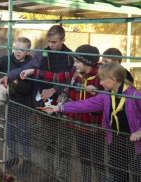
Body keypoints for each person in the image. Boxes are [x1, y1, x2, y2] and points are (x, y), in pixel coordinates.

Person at [44, 61, 141, 182]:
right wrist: (60, 107)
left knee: (137, 172)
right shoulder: (106, 95)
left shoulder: (135, 96)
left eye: (102, 80)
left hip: (135, 142)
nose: (100, 83)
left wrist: (139, 131)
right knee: (118, 173)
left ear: (113, 80)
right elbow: (85, 104)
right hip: (116, 140)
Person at [0, 25, 74, 181]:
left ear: (63, 40)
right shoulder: (43, 53)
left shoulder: (71, 57)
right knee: (48, 140)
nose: (51, 45)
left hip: (65, 105)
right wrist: (8, 76)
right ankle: (48, 173)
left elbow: (70, 79)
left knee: (64, 145)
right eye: (49, 41)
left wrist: (54, 89)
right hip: (45, 103)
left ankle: (64, 176)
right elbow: (27, 67)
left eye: (54, 42)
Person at [22, 44, 106, 182]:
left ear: (87, 62)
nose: (74, 64)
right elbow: (58, 76)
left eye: (77, 62)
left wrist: (99, 91)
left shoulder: (101, 77)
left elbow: (112, 92)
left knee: (99, 161)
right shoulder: (75, 74)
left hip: (95, 127)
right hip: (79, 125)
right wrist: (34, 72)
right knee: (83, 158)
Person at [0, 37, 33, 176]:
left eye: (22, 49)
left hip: (22, 106)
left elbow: (28, 89)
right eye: (17, 48)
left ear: (28, 52)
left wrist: (16, 81)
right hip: (6, 104)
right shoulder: (7, 60)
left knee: (23, 135)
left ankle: (27, 161)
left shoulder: (30, 65)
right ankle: (13, 157)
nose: (18, 51)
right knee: (9, 133)